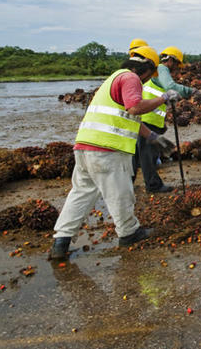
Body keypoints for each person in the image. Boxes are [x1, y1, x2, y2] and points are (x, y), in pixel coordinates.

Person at [48, 46, 181, 260]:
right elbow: (135, 108)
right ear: (146, 68)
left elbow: (128, 117)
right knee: (120, 193)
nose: (148, 80)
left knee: (80, 194)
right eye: (150, 74)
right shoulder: (131, 78)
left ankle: (61, 241)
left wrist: (153, 138)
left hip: (84, 147)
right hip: (107, 150)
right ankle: (129, 233)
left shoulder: (113, 78)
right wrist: (163, 98)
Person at [133, 46, 201, 193]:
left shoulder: (154, 72)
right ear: (170, 60)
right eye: (177, 65)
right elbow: (170, 86)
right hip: (148, 118)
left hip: (146, 117)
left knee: (137, 155)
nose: (177, 69)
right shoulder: (161, 69)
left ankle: (128, 185)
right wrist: (191, 91)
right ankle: (153, 186)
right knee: (148, 155)